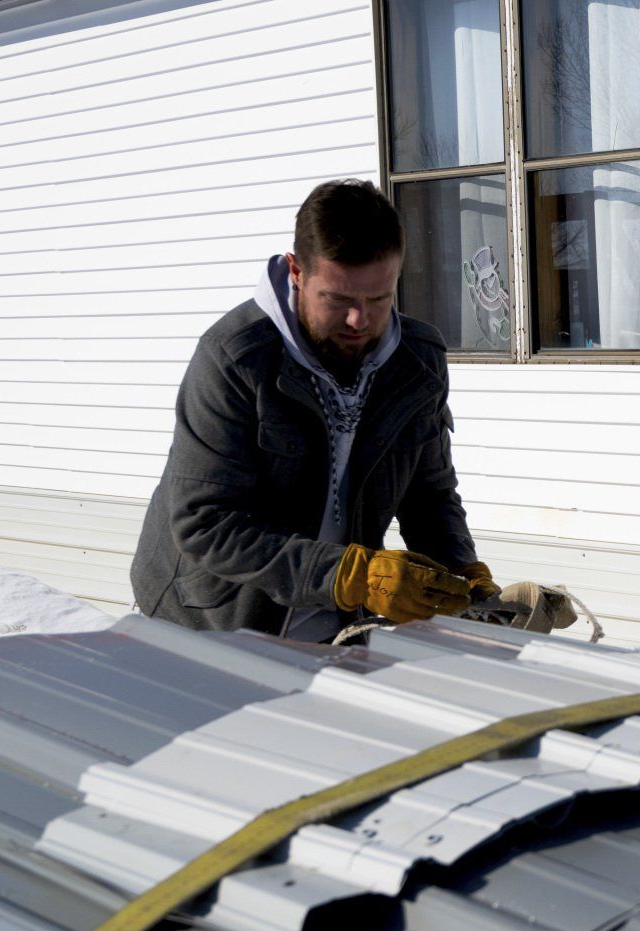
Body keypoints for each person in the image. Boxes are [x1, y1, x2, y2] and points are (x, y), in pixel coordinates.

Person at [132, 179, 499, 640]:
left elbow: (429, 496)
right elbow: (206, 522)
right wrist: (348, 575)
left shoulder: (417, 362)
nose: (358, 321)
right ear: (296, 271)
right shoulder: (236, 358)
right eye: (339, 299)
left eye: (379, 299)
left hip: (343, 623)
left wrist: (463, 573)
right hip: (213, 626)